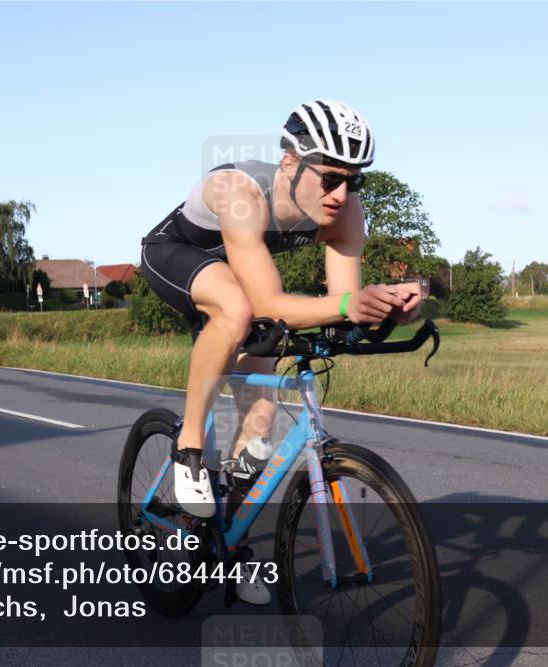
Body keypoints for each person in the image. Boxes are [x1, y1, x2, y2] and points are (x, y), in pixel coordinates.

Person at [140, 100, 424, 604]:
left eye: (354, 181)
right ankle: (187, 450)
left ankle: (231, 546)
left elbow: (342, 305)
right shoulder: (241, 192)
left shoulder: (346, 215)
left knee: (260, 426)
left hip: (242, 269)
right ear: (291, 163)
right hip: (178, 255)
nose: (342, 193)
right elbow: (270, 301)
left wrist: (384, 309)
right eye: (331, 177)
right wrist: (346, 304)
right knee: (237, 308)